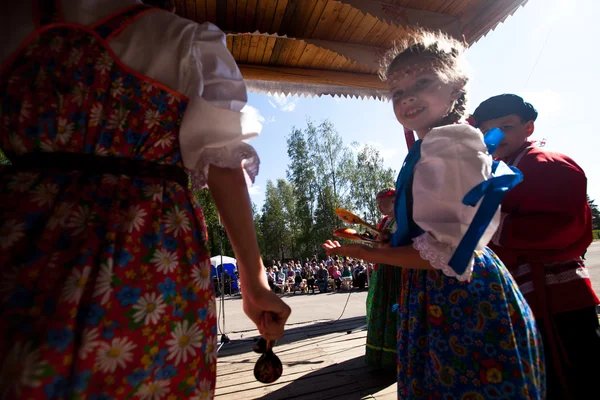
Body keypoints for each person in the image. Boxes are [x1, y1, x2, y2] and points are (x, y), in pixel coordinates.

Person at [0, 1, 291, 398]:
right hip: (150, 251)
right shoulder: (188, 43)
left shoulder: (11, 23)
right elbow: (224, 166)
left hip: (22, 237)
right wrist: (254, 281)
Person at [323, 30, 544, 398]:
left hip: (457, 293)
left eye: (422, 82)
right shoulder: (432, 145)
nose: (406, 96)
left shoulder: (451, 144)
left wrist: (367, 253)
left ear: (457, 88)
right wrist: (395, 238)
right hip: (434, 288)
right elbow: (430, 231)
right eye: (397, 92)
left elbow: (449, 253)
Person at [470, 93, 600, 400]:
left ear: (528, 128)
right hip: (526, 297)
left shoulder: (548, 164)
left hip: (555, 298)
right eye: (488, 130)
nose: (496, 136)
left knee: (569, 380)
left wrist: (490, 226)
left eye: (506, 126)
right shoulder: (500, 169)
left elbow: (561, 230)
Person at [365, 188, 401, 372]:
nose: (379, 206)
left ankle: (395, 355)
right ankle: (379, 353)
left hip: (396, 272)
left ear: (394, 200)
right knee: (380, 308)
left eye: (382, 202)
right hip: (383, 271)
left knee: (393, 309)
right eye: (377, 203)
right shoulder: (384, 222)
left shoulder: (403, 219)